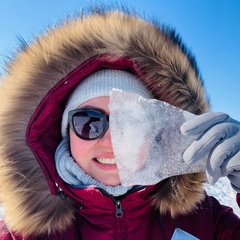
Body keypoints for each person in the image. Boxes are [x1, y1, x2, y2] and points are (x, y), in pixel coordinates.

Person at [0, 5, 240, 240]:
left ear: (154, 132)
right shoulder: (21, 234)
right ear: (67, 133)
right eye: (89, 122)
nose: (111, 140)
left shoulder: (207, 221)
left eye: (131, 123)